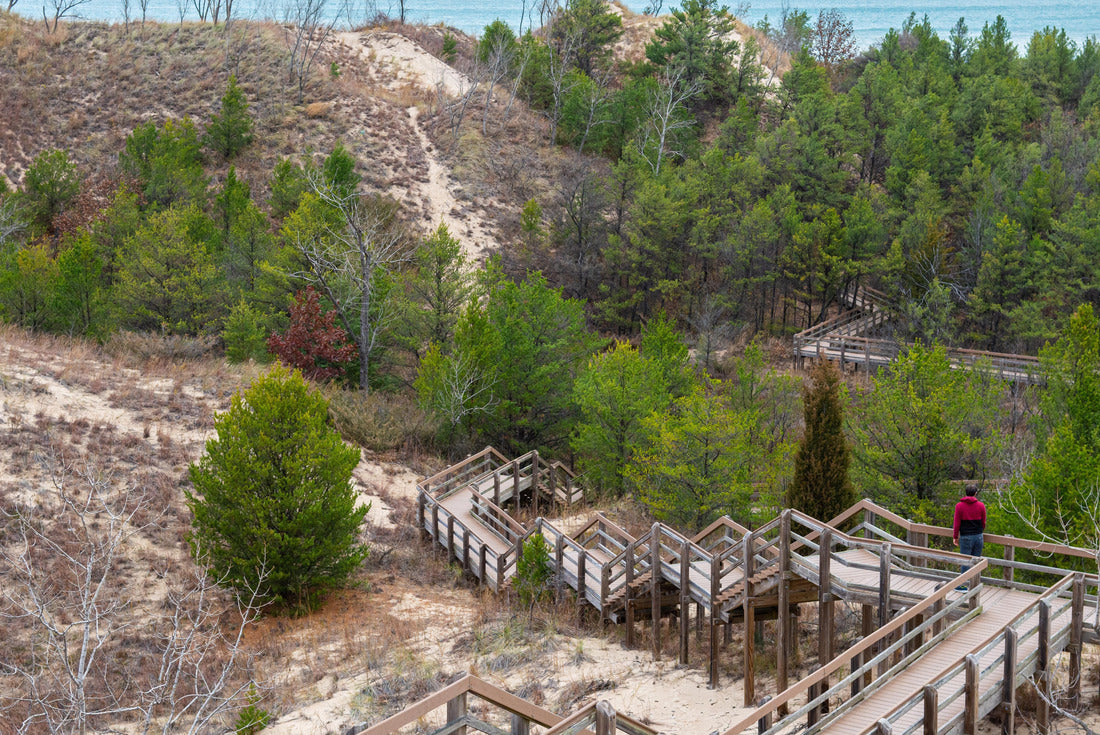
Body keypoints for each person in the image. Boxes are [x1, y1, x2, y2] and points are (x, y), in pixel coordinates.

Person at [952, 485, 986, 575]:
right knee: (976, 562)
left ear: (966, 493)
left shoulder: (959, 506)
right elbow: (983, 522)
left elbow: (957, 523)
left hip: (965, 536)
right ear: (975, 493)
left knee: (965, 562)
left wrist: (955, 536)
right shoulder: (981, 505)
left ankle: (964, 585)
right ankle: (974, 584)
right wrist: (980, 531)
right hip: (978, 536)